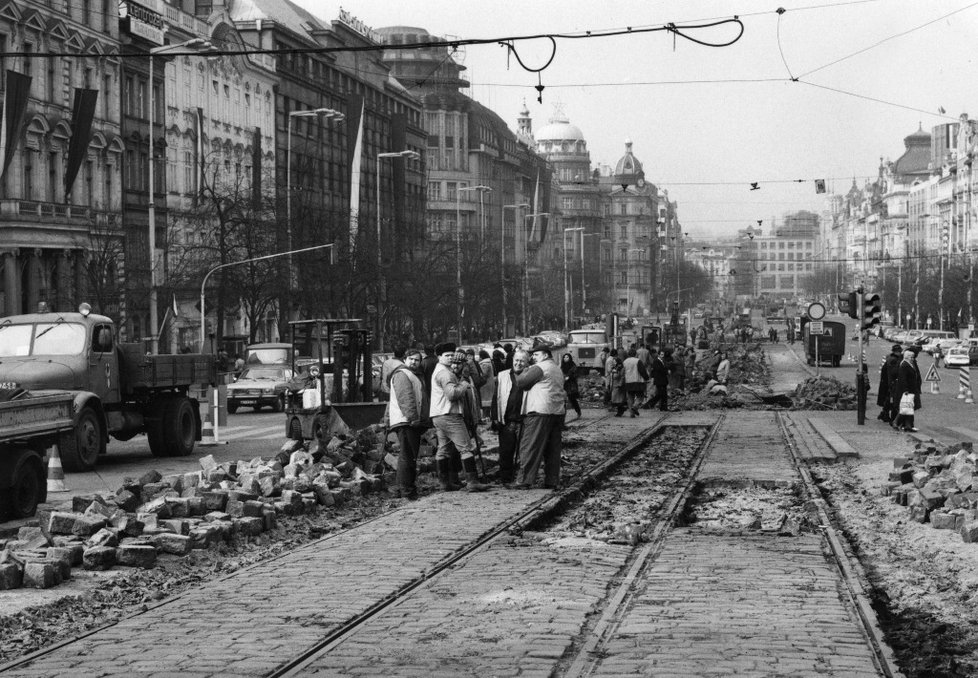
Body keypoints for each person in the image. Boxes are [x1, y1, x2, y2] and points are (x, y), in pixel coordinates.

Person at [429, 342, 488, 492]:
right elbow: (452, 394)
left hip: (438, 415)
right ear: (439, 357)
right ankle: (472, 482)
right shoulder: (445, 373)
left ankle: (444, 483)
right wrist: (464, 382)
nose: (450, 358)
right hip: (450, 414)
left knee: (443, 449)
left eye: (451, 355)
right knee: (466, 448)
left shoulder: (439, 370)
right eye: (446, 356)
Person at [512, 340, 566, 489]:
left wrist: (519, 370)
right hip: (556, 412)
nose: (533, 357)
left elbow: (522, 383)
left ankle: (524, 480)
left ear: (545, 355)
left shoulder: (540, 367)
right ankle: (552, 480)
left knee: (530, 445)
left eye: (536, 354)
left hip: (540, 412)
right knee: (552, 450)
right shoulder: (556, 368)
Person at [386, 348, 428, 500]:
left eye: (417, 360)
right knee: (407, 456)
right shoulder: (402, 374)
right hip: (406, 421)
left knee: (408, 455)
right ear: (405, 360)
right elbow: (406, 398)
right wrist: (412, 417)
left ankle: (404, 488)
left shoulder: (410, 374)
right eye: (411, 359)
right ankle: (406, 490)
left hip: (407, 420)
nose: (414, 362)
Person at [491, 349, 529, 485]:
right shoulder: (502, 375)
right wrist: (494, 417)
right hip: (507, 419)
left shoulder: (531, 375)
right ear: (512, 361)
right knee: (506, 451)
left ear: (527, 363)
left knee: (524, 452)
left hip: (524, 419)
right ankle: (506, 479)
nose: (518, 363)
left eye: (522, 361)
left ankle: (521, 479)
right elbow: (496, 397)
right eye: (516, 361)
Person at [894, 349, 921, 432]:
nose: (913, 359)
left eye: (913, 357)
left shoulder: (909, 364)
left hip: (911, 389)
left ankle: (908, 425)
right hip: (908, 390)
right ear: (907, 357)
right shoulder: (905, 365)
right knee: (907, 407)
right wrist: (906, 389)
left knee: (908, 407)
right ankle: (896, 422)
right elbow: (903, 378)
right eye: (911, 357)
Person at [877, 344, 902, 422]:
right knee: (890, 399)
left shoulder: (890, 358)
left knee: (888, 399)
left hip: (886, 382)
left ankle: (885, 413)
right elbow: (893, 372)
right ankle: (885, 414)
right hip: (890, 382)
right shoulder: (894, 360)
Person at [621, 347, 649, 417]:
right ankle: (635, 406)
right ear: (635, 354)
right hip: (637, 381)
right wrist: (647, 378)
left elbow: (622, 372)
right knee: (640, 396)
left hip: (628, 382)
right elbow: (642, 371)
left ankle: (631, 413)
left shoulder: (625, 361)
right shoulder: (638, 361)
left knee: (630, 397)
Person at [560, 353, 582, 421]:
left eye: (567, 357)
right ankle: (562, 415)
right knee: (562, 399)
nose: (565, 358)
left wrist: (569, 377)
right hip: (563, 384)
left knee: (572, 399)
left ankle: (578, 411)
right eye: (564, 357)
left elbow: (575, 375)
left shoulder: (573, 366)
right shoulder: (562, 366)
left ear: (570, 358)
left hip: (571, 385)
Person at [478, 349, 496, 420]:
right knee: (487, 403)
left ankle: (486, 417)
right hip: (488, 385)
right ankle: (487, 416)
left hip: (485, 386)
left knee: (486, 403)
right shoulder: (488, 362)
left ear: (481, 357)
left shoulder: (485, 364)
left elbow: (483, 375)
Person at [609, 349, 628, 416]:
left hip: (619, 386)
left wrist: (620, 384)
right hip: (614, 385)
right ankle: (620, 411)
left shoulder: (621, 368)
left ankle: (620, 411)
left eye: (614, 361)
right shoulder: (615, 368)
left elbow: (622, 376)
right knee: (616, 399)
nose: (613, 362)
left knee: (619, 400)